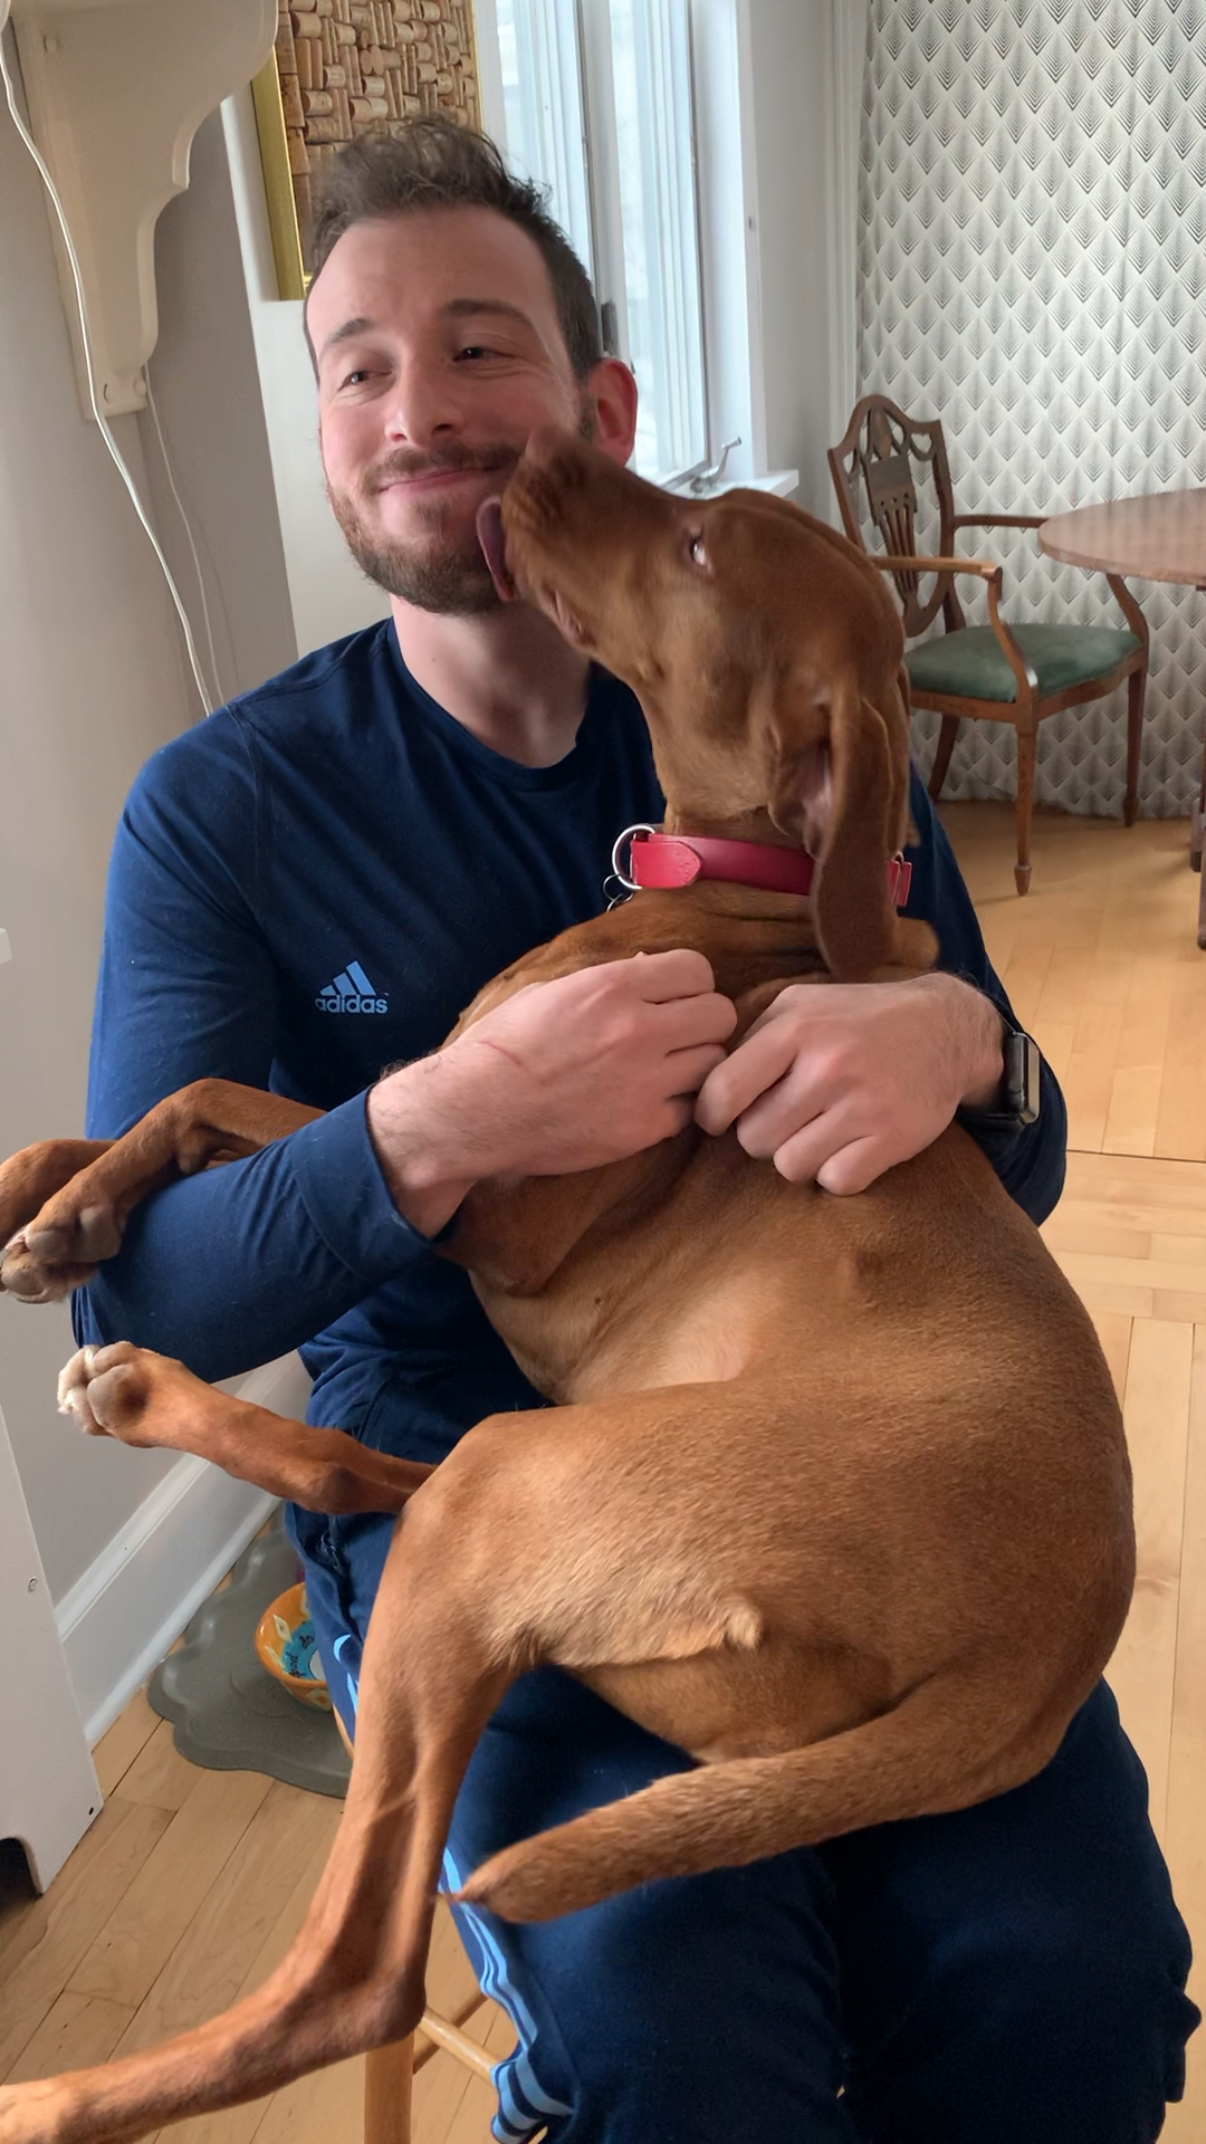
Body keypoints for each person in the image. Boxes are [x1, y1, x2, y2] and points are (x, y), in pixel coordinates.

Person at [75, 119, 1197, 2143]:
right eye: (358, 366)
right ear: (328, 428)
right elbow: (152, 1285)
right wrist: (426, 1126)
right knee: (682, 2057)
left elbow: (998, 1176)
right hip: (446, 1475)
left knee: (1087, 1991)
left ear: (595, 403)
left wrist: (966, 1040)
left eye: (479, 349)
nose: (417, 409)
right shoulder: (223, 807)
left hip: (825, 1453)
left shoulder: (767, 691)